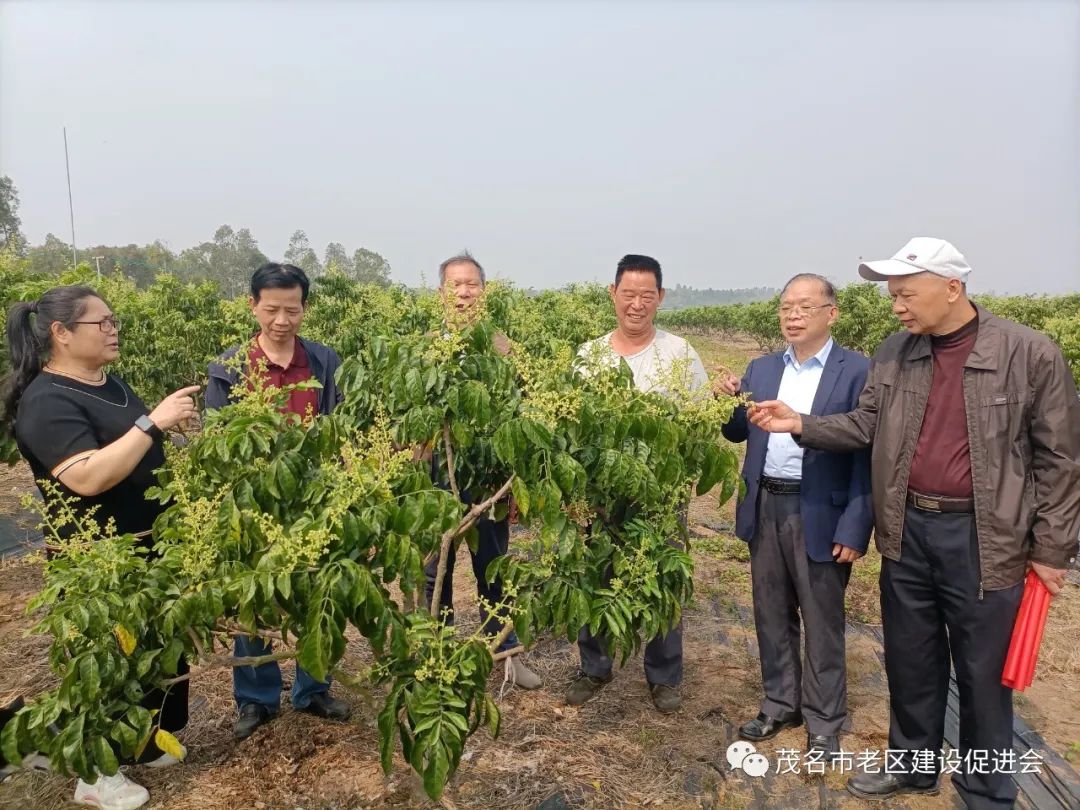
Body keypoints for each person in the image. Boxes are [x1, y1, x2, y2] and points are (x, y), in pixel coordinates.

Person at [750, 238, 1080, 808]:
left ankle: (985, 791)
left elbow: (1061, 459)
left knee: (981, 674)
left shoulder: (1029, 353)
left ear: (951, 289)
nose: (896, 306)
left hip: (984, 538)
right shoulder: (896, 352)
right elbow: (863, 425)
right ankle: (911, 765)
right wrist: (800, 423)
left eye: (905, 294)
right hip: (908, 531)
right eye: (892, 296)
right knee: (911, 658)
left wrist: (1052, 548)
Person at [2, 285, 198, 810]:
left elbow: (133, 446)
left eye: (115, 321)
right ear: (62, 334)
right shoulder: (45, 402)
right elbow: (87, 477)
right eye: (101, 323)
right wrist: (151, 422)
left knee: (154, 653)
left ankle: (140, 742)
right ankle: (95, 775)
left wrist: (168, 431)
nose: (113, 330)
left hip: (148, 547)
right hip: (97, 560)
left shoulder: (110, 384)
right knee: (106, 662)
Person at [717, 273, 873, 758]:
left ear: (832, 313)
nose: (793, 315)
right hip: (766, 502)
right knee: (770, 611)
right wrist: (729, 404)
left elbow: (868, 452)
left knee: (822, 618)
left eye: (805, 306)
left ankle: (825, 720)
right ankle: (779, 701)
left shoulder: (857, 371)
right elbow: (739, 434)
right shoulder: (761, 368)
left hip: (819, 510)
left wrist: (855, 524)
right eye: (786, 306)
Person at [205, 263, 352, 740]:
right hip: (254, 501)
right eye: (272, 309)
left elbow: (341, 425)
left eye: (292, 309)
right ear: (253, 306)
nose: (282, 320)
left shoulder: (325, 361)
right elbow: (218, 438)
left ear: (304, 309)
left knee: (316, 591)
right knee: (255, 598)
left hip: (315, 497)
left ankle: (312, 688)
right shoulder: (230, 368)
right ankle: (256, 699)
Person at [567, 254, 708, 714]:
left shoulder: (680, 353)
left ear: (661, 298)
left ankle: (664, 677)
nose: (637, 304)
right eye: (628, 294)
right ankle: (595, 666)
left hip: (661, 495)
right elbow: (573, 428)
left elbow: (699, 420)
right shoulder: (590, 356)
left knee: (663, 575)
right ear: (613, 294)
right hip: (602, 494)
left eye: (647, 296)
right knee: (597, 574)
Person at [423, 252, 541, 689]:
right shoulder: (427, 347)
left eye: (471, 284)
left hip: (490, 479)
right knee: (436, 572)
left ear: (484, 292)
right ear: (440, 294)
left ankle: (505, 654)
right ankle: (436, 656)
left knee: (493, 566)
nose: (464, 292)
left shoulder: (502, 345)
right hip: (437, 480)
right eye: (455, 285)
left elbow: (523, 410)